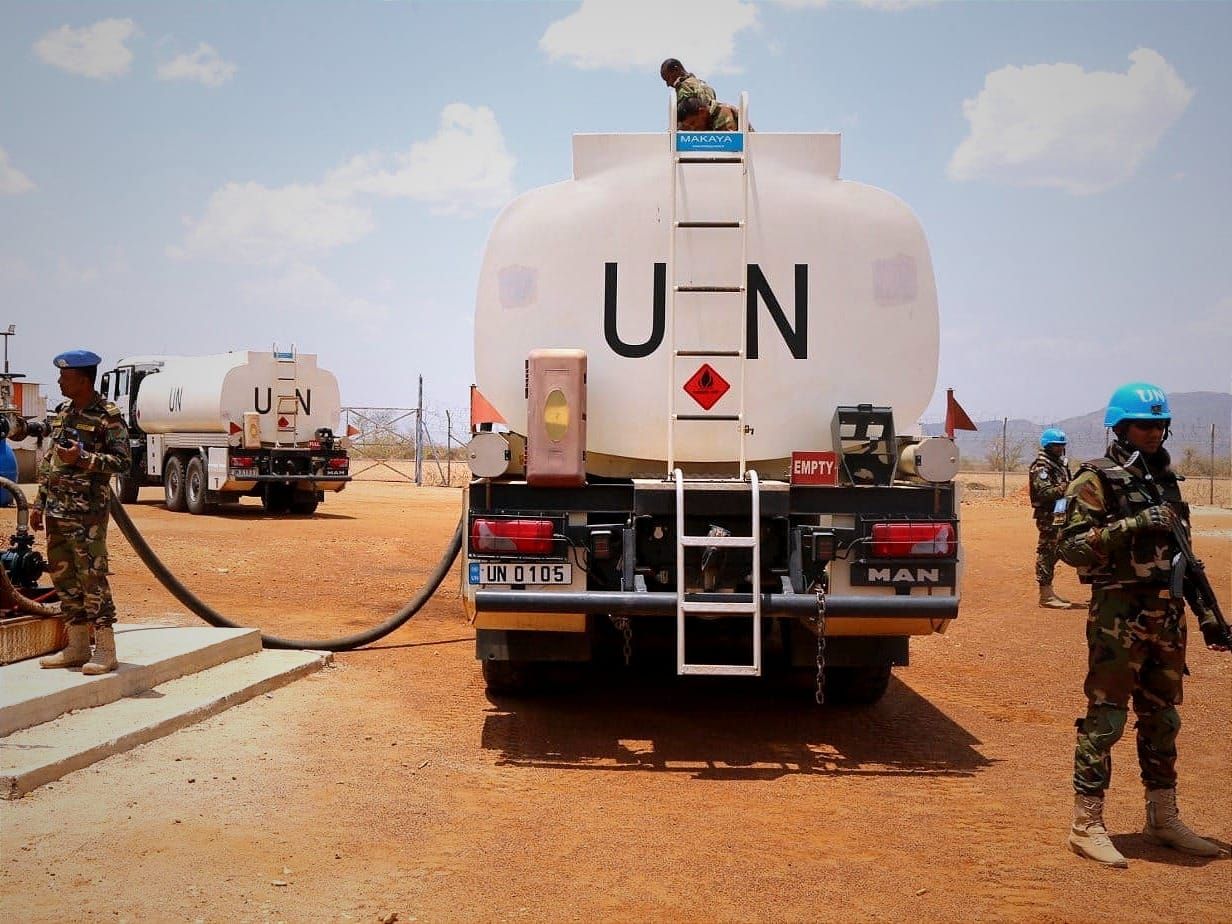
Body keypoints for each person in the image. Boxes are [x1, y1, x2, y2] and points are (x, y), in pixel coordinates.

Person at [1057, 382, 1231, 868]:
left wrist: (1209, 615)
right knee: (1107, 718)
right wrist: (1134, 524)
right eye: (1143, 425)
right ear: (1121, 427)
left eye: (1159, 424)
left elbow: (1185, 558)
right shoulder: (1095, 478)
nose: (1154, 433)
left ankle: (1162, 817)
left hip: (1166, 615)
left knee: (1163, 719)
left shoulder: (1165, 480)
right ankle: (1086, 824)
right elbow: (1070, 547)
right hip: (1118, 615)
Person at [6, 350, 130, 674]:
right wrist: (39, 503)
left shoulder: (108, 416)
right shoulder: (62, 412)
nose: (59, 381)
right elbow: (50, 462)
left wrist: (85, 459)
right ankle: (76, 646)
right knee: (64, 578)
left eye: (65, 376)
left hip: (87, 514)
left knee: (92, 578)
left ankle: (105, 648)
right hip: (57, 512)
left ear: (84, 380)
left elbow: (124, 463)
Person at [1029, 428, 1073, 608]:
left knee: (1055, 550)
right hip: (1048, 516)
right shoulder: (1042, 467)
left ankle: (1049, 592)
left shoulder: (1058, 464)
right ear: (1047, 446)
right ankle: (1045, 595)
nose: (1060, 449)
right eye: (1056, 446)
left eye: (1062, 446)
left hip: (1059, 513)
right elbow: (1046, 492)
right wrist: (1069, 487)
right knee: (1047, 551)